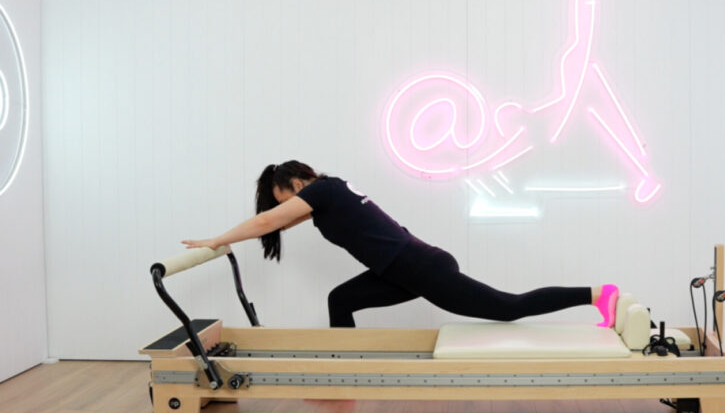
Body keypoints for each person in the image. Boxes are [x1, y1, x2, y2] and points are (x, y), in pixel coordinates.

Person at [183, 160, 620, 328]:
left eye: (286, 198)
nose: (289, 209)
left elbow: (266, 221)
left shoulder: (323, 192)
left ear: (298, 184)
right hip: (403, 268)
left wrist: (216, 240)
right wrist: (234, 240)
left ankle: (598, 294)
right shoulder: (328, 195)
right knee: (341, 299)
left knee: (508, 308)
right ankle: (347, 378)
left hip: (421, 268)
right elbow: (274, 223)